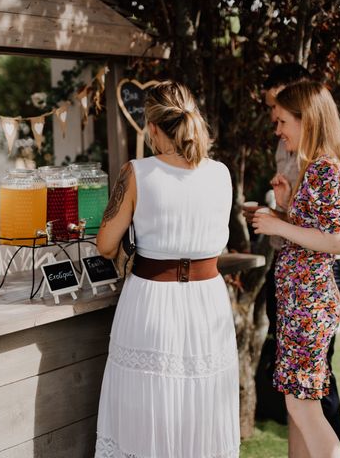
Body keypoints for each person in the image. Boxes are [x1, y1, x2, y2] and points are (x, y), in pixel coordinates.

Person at [94, 81, 240, 458]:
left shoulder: (136, 172)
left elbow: (106, 244)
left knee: (147, 406)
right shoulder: (222, 174)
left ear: (153, 128)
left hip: (152, 302)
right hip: (207, 304)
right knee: (202, 406)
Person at [252, 64, 340, 444]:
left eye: (283, 121)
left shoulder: (326, 170)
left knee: (304, 407)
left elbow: (336, 241)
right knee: (297, 404)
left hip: (309, 304)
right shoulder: (314, 168)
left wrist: (279, 226)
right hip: (299, 300)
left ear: (307, 120)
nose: (278, 130)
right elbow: (314, 231)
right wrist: (284, 208)